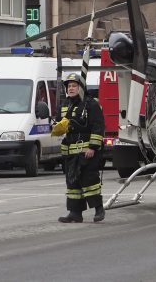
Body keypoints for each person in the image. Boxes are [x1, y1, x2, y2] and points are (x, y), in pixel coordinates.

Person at [53, 72, 105, 223]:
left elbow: (98, 127)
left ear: (81, 88)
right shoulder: (64, 105)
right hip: (70, 152)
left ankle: (99, 209)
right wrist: (56, 127)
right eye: (69, 86)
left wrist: (93, 147)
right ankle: (75, 213)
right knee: (73, 183)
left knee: (90, 182)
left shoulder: (91, 104)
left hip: (86, 151)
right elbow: (58, 123)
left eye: (74, 86)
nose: (71, 88)